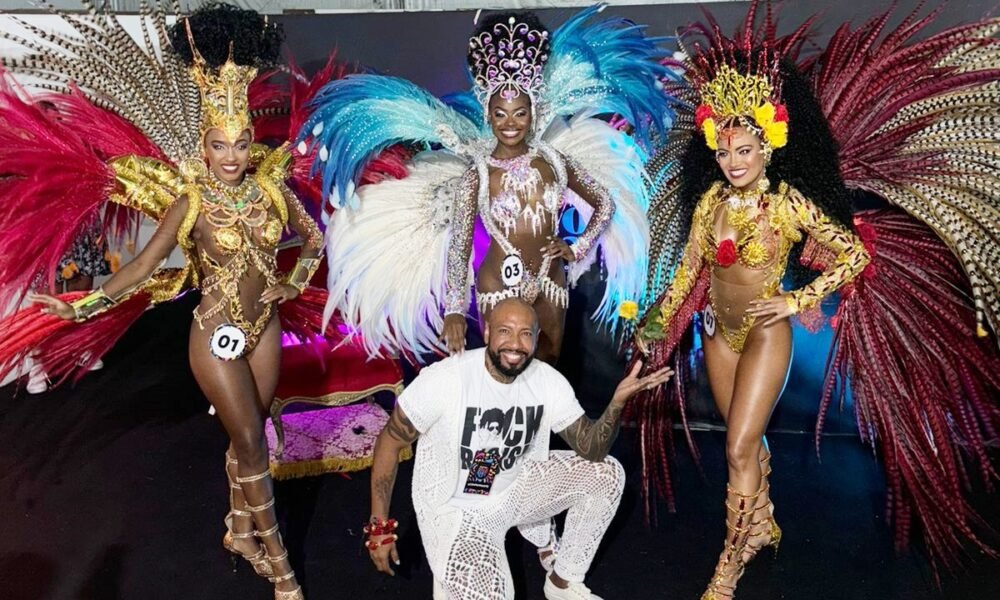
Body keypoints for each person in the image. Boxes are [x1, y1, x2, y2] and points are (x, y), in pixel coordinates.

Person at [633, 2, 1000, 595]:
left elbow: (853, 254)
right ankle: (761, 524)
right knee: (745, 441)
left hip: (764, 333)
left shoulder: (787, 204)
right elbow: (686, 273)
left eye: (744, 150)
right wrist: (659, 321)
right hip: (718, 335)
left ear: (768, 147)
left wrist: (794, 299)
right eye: (724, 151)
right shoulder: (709, 204)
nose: (733, 162)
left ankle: (729, 564)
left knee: (738, 447)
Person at [1, 5, 325, 599]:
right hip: (215, 334)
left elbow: (313, 240)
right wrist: (81, 306)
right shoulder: (191, 201)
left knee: (248, 434)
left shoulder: (271, 189)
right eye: (220, 145)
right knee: (254, 444)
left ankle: (239, 531)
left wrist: (295, 283)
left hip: (264, 325)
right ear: (204, 146)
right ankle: (282, 570)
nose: (232, 155)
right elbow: (142, 268)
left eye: (241, 143)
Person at [300, 6, 675, 362]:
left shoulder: (555, 162)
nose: (510, 123)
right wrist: (453, 311)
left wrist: (577, 248)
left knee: (547, 375)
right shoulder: (475, 176)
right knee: (505, 375)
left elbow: (604, 204)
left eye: (519, 113)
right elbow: (460, 247)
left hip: (551, 281)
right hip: (498, 286)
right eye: (500, 114)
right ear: (489, 115)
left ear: (533, 113)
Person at [366, 298, 672, 600]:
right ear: (487, 332)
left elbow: (591, 450)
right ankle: (454, 568)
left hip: (513, 487)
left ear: (536, 339)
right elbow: (390, 442)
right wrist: (379, 526)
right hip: (460, 511)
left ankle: (562, 584)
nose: (515, 344)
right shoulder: (447, 378)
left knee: (605, 474)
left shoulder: (547, 381)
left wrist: (616, 404)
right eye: (505, 331)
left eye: (525, 333)